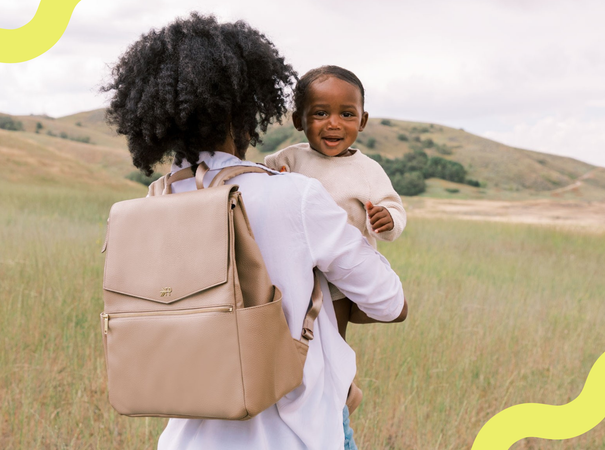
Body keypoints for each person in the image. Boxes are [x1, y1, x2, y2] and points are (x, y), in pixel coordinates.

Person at [102, 13, 407, 450]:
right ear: (249, 110)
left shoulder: (150, 204)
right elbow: (390, 303)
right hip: (293, 436)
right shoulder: (294, 195)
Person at [263, 65, 408, 417]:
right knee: (290, 342)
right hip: (294, 275)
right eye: (320, 113)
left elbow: (394, 207)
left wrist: (387, 220)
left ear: (363, 120)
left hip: (342, 279)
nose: (333, 124)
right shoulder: (288, 159)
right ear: (298, 120)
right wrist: (275, 181)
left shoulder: (368, 170)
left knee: (332, 345)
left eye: (346, 114)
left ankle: (342, 392)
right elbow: (260, 187)